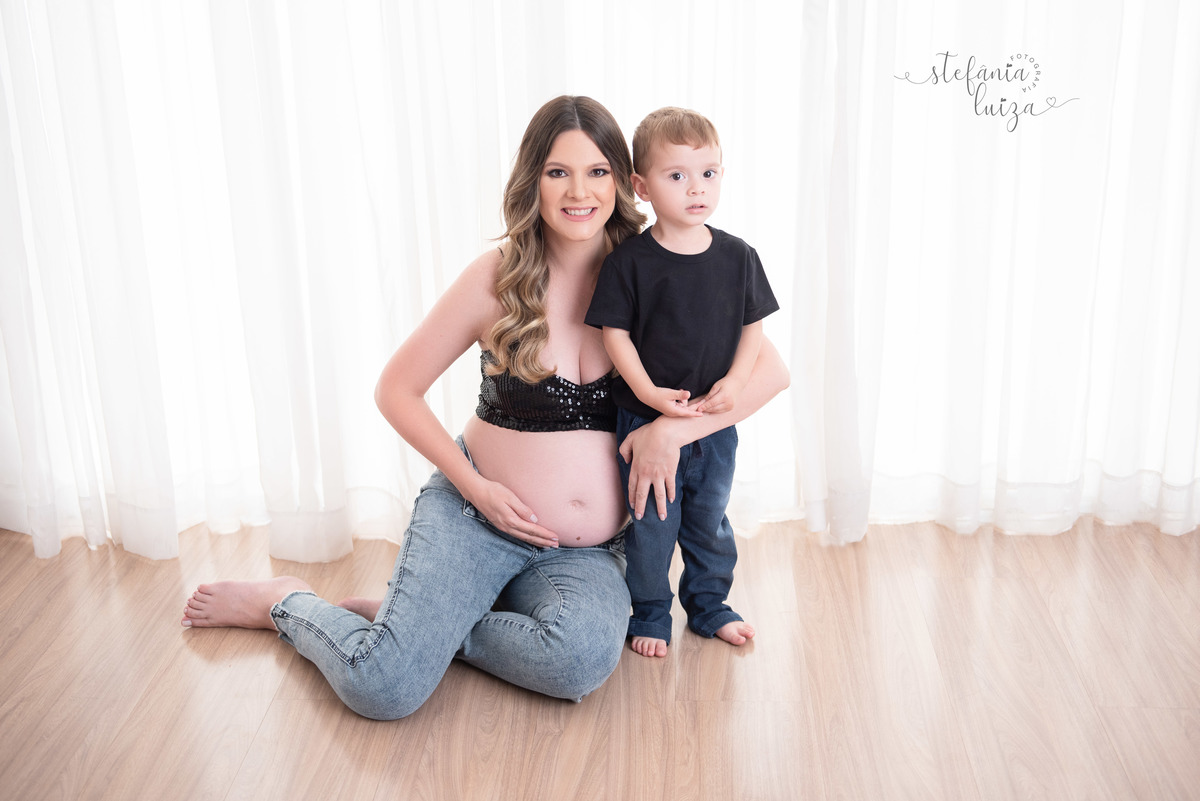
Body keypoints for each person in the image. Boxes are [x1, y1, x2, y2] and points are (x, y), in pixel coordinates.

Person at [180, 96, 789, 720]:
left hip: (585, 550)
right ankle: (286, 604)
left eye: (597, 171)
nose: (579, 191)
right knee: (382, 687)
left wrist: (669, 435)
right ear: (533, 180)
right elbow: (396, 390)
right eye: (557, 172)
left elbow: (770, 371)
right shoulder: (498, 276)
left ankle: (424, 628)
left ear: (624, 181)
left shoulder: (659, 267)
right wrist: (477, 490)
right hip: (477, 518)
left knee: (578, 660)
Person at [585, 107, 779, 659]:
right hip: (646, 420)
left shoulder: (738, 256)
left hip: (713, 424)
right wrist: (648, 394)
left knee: (709, 521)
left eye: (708, 173)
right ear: (642, 187)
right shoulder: (630, 262)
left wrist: (736, 381)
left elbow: (753, 327)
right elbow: (615, 335)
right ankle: (649, 612)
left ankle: (711, 605)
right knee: (651, 526)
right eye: (677, 175)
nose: (697, 188)